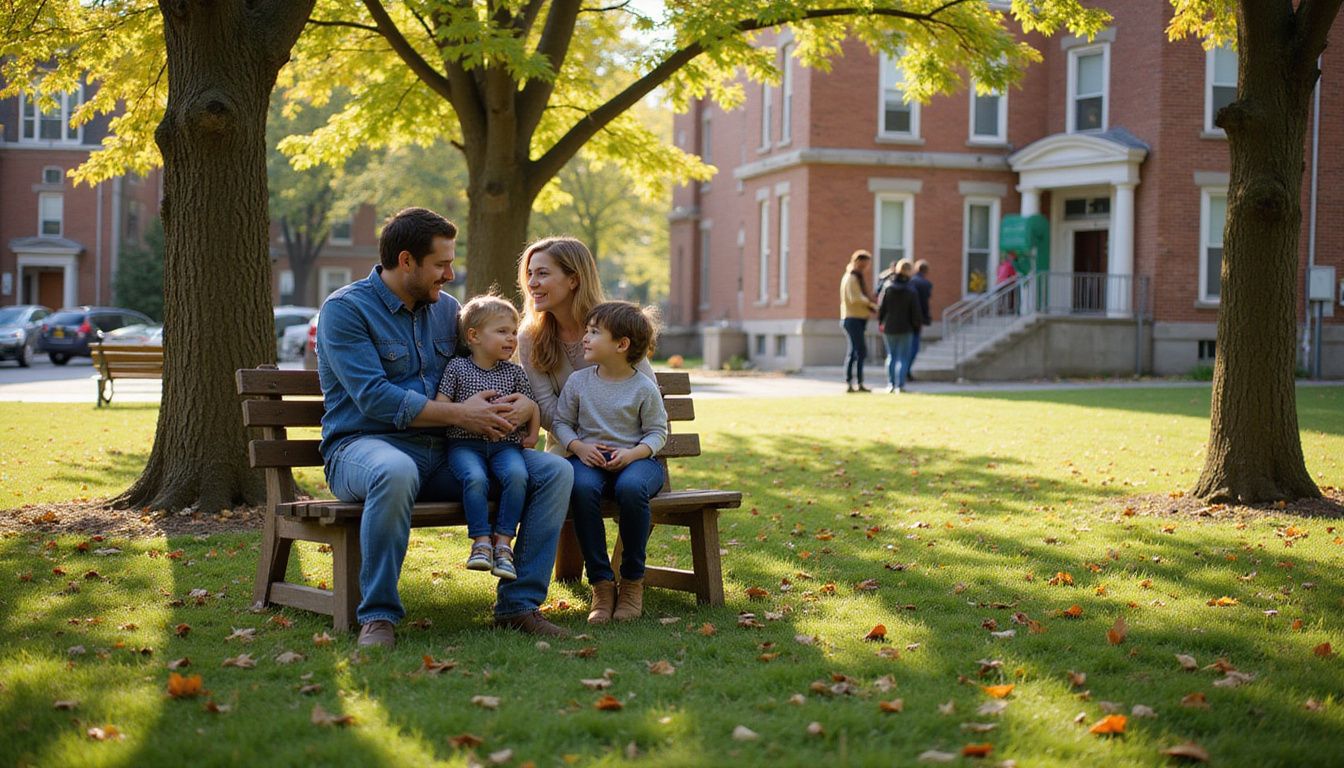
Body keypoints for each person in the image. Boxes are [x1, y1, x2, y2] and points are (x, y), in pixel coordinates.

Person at [317, 207, 573, 648]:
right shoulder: (346, 311)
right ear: (406, 261)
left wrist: (524, 404)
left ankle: (519, 605)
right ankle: (378, 615)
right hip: (363, 448)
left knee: (555, 472)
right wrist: (461, 415)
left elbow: (482, 370)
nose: (450, 275)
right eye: (441, 264)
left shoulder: (449, 311)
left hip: (446, 455)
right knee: (394, 471)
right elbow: (375, 398)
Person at [552, 302, 669, 624]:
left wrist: (633, 454)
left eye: (593, 333)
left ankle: (632, 582)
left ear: (621, 344)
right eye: (587, 331)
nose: (585, 339)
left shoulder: (643, 387)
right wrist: (578, 446)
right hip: (588, 460)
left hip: (637, 462)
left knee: (632, 490)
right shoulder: (578, 382)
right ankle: (602, 585)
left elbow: (658, 432)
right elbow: (562, 423)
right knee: (582, 487)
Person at [517, 236, 657, 454]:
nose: (531, 283)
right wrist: (580, 445)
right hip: (566, 448)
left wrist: (610, 444)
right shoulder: (530, 336)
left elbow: (647, 389)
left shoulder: (615, 326)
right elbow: (545, 406)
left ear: (573, 280)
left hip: (624, 448)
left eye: (542, 273)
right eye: (529, 273)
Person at [435, 295, 540, 582]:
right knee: (475, 477)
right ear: (474, 336)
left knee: (518, 476)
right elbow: (442, 405)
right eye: (502, 331)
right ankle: (481, 542)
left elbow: (532, 407)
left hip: (505, 446)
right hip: (464, 445)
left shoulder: (515, 373)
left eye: (514, 332)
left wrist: (531, 436)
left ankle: (504, 543)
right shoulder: (457, 368)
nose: (511, 339)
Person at [876, 259, 923, 393]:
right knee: (903, 357)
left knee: (891, 356)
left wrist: (881, 322)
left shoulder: (888, 286)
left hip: (889, 326)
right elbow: (916, 311)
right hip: (906, 327)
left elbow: (881, 308)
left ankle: (890, 384)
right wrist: (917, 326)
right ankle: (900, 385)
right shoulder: (911, 290)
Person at [840, 250, 879, 393]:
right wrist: (871, 305)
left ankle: (856, 383)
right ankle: (852, 382)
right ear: (858, 262)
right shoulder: (851, 277)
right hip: (852, 318)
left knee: (856, 351)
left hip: (857, 318)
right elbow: (855, 298)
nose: (867, 267)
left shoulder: (856, 277)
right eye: (866, 263)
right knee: (859, 350)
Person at [908, 260, 933, 378]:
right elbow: (925, 304)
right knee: (914, 346)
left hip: (907, 318)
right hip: (917, 319)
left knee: (908, 346)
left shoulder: (910, 281)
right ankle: (906, 370)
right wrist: (926, 318)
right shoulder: (925, 284)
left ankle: (904, 371)